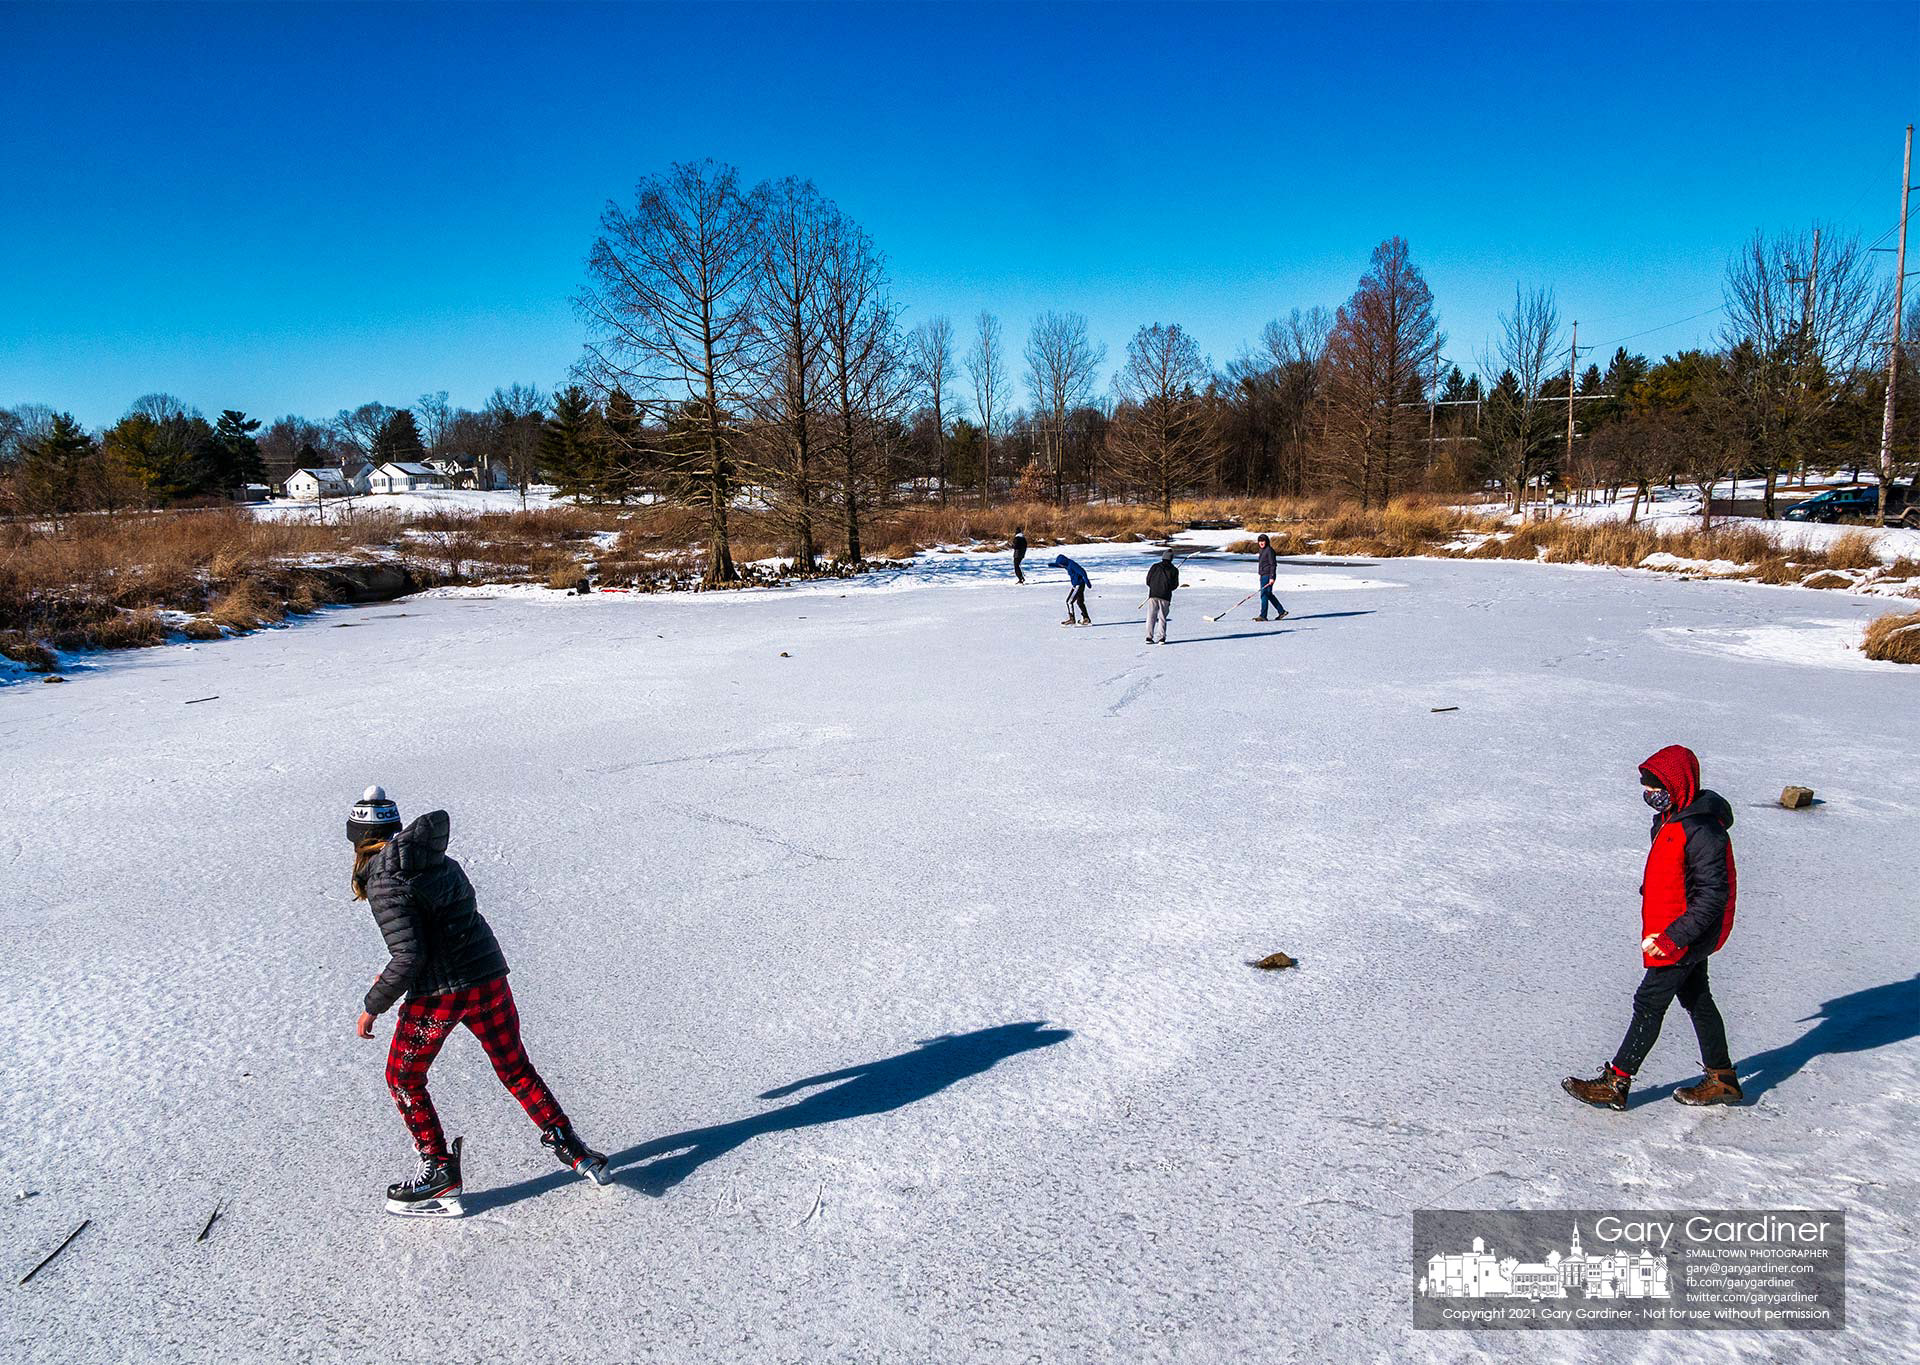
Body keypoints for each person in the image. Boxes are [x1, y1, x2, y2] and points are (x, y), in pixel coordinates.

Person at [348, 786, 607, 1216]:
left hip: (441, 994)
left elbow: (409, 954)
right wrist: (396, 974)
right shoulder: (436, 860)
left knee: (402, 1077)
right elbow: (439, 931)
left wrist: (373, 1004)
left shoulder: (382, 878)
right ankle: (572, 1148)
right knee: (515, 1069)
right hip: (487, 977)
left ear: (358, 841)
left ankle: (438, 1173)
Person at [1563, 746, 1741, 1111]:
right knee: (1697, 999)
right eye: (1645, 787)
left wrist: (1675, 936)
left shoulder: (1703, 829)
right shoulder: (1671, 819)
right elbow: (1677, 873)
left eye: (1654, 787)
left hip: (1683, 935)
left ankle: (1617, 1081)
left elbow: (1712, 895)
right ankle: (1722, 1079)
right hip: (1671, 928)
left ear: (1676, 785)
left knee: (1649, 1002)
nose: (1648, 794)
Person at [1145, 549, 1179, 644]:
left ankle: (1148, 637)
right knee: (1162, 617)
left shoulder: (1155, 566)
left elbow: (1148, 580)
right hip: (1165, 596)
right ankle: (1161, 638)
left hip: (1153, 594)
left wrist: (1154, 588)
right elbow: (1175, 585)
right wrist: (1167, 588)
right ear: (1171, 559)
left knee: (1151, 616)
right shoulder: (1174, 570)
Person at [1255, 533, 1287, 622]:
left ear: (1266, 542)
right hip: (1263, 575)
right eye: (1260, 541)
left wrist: (1272, 577)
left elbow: (1273, 565)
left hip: (1268, 575)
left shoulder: (1269, 550)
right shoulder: (1262, 550)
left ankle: (1263, 616)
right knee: (1268, 594)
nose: (1261, 543)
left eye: (1263, 541)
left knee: (1264, 595)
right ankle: (1281, 611)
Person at [1052, 553, 1091, 624]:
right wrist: (1051, 565)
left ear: (1063, 562)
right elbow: (1060, 565)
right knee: (1080, 602)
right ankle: (1086, 619)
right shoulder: (1067, 564)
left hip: (1078, 585)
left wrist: (1087, 581)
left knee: (1069, 601)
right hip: (1077, 585)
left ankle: (1072, 619)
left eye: (1060, 564)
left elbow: (1082, 571)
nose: (1060, 566)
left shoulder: (1072, 565)